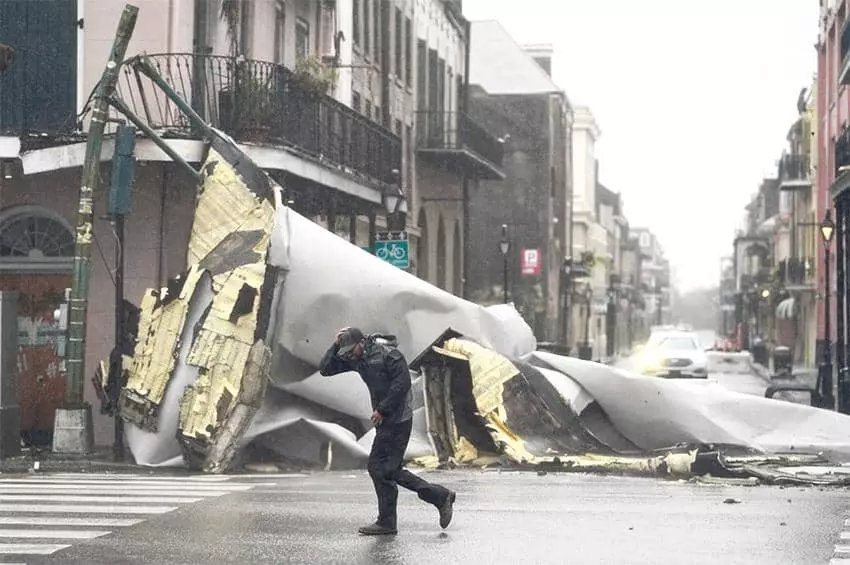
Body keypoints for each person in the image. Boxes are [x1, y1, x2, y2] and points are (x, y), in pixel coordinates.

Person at [319, 327, 456, 536]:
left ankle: (438, 497)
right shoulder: (356, 357)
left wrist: (383, 410)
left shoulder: (388, 355)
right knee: (380, 468)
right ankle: (389, 521)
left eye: (350, 350)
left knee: (385, 468)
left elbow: (402, 385)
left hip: (399, 418)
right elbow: (326, 369)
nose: (348, 355)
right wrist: (336, 345)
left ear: (361, 342)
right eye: (345, 352)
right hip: (385, 420)